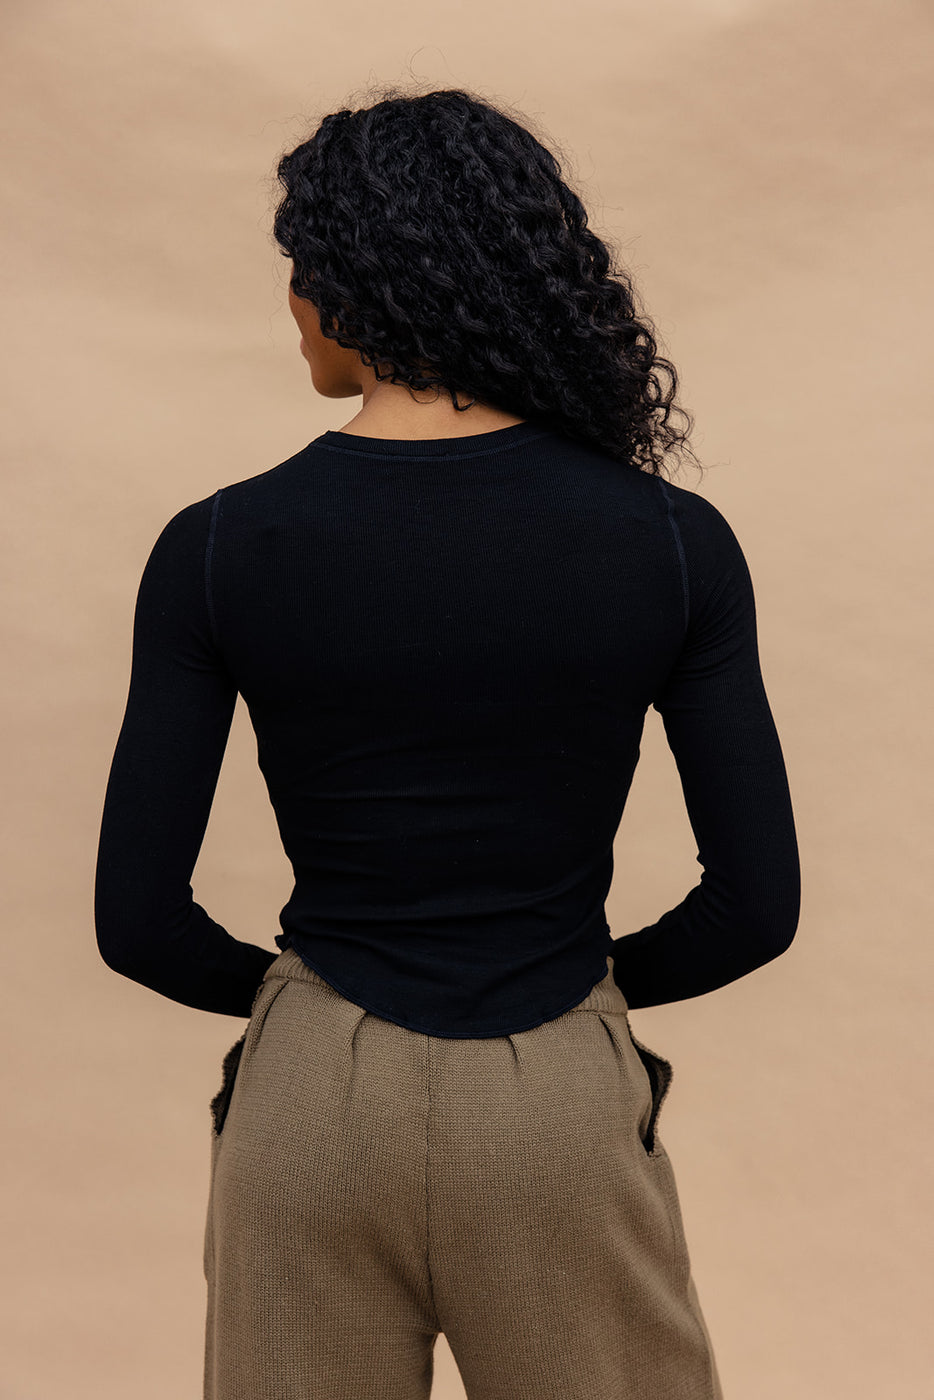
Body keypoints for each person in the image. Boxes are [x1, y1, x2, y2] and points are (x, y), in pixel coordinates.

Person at [94, 82, 800, 1400]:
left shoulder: (216, 547)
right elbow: (754, 908)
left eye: (300, 272)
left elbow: (135, 919)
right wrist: (571, 1009)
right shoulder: (667, 544)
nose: (291, 305)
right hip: (555, 1100)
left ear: (348, 292)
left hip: (308, 1105)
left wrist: (308, 1014)